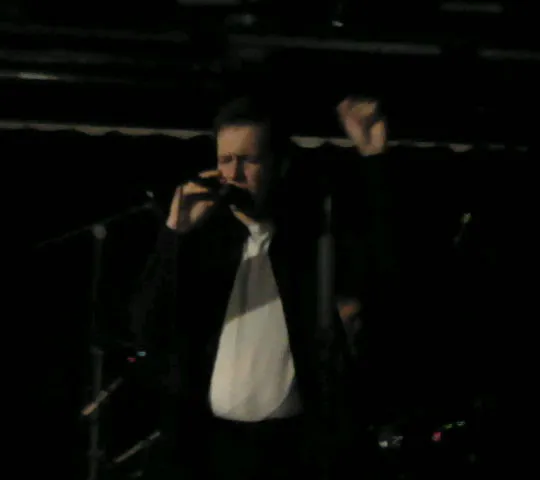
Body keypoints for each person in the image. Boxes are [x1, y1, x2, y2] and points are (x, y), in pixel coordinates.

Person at [130, 95, 388, 480]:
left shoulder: (309, 242)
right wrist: (174, 236)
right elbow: (146, 325)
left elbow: (385, 265)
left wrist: (374, 159)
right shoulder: (203, 241)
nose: (234, 174)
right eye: (225, 160)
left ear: (278, 165)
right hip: (211, 446)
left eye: (249, 160)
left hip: (292, 447)